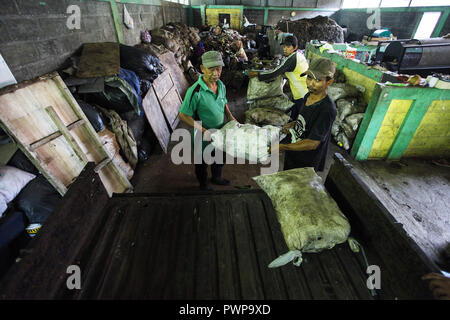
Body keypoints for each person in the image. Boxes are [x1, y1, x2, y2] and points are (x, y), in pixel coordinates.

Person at [178, 51, 238, 191]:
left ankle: (216, 177)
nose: (216, 73)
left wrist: (229, 116)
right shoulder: (196, 91)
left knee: (220, 157)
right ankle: (203, 183)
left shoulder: (221, 85)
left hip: (220, 130)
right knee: (202, 162)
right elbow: (183, 115)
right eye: (212, 69)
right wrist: (204, 131)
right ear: (202, 68)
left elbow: (223, 101)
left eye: (219, 69)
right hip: (201, 134)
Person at [273, 57, 336, 172]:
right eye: (309, 77)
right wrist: (294, 124)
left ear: (329, 81)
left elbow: (312, 143)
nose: (310, 83)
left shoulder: (326, 109)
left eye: (317, 80)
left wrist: (283, 147)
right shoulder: (308, 96)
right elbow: (305, 120)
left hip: (307, 161)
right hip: (294, 151)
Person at [248, 35, 309, 102]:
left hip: (301, 95)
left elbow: (274, 73)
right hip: (304, 91)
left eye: (288, 47)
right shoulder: (299, 55)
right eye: (284, 46)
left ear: (295, 47)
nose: (284, 49)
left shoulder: (292, 59)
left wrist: (256, 74)